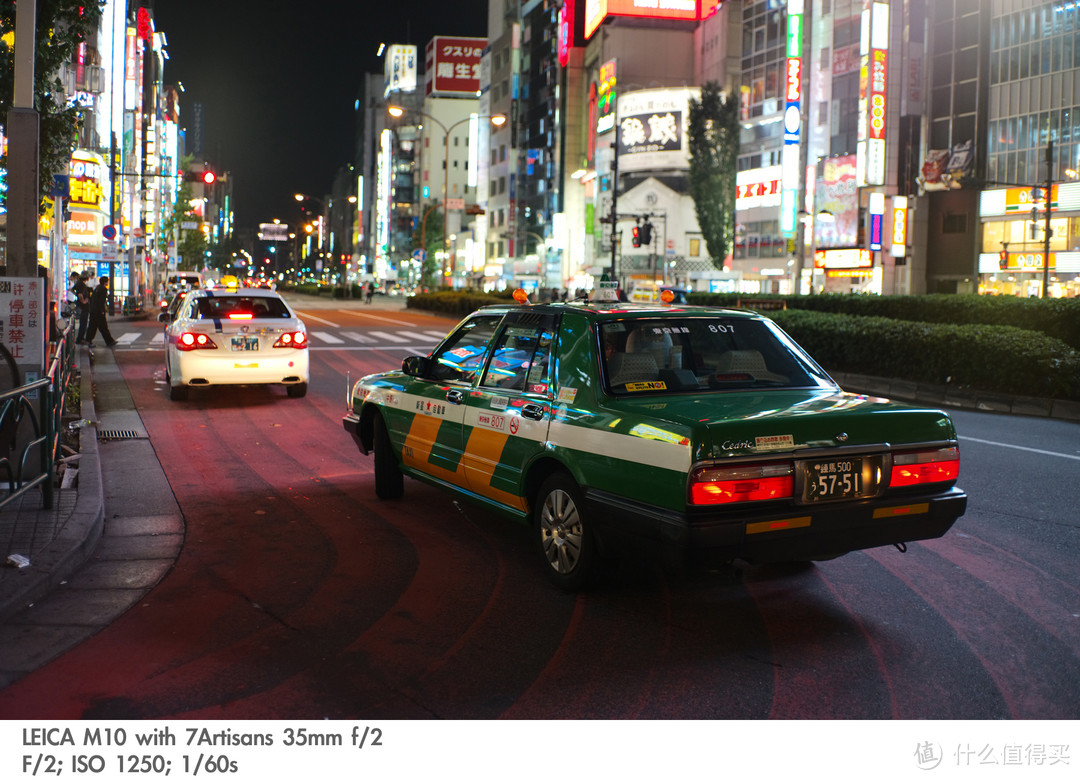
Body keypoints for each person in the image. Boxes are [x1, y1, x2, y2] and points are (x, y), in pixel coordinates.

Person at [83, 276, 118, 347]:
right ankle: (109, 341)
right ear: (105, 282)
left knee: (92, 326)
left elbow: (92, 298)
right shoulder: (103, 289)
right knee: (103, 327)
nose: (108, 282)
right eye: (107, 281)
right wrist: (102, 310)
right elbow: (101, 301)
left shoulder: (97, 288)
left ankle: (88, 340)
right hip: (98, 311)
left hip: (93, 310)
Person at [69, 271, 91, 343]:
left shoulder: (78, 283)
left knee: (83, 323)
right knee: (83, 323)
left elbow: (71, 290)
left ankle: (80, 338)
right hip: (84, 306)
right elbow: (80, 294)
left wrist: (76, 295)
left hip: (80, 305)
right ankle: (80, 339)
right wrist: (83, 301)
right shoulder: (82, 285)